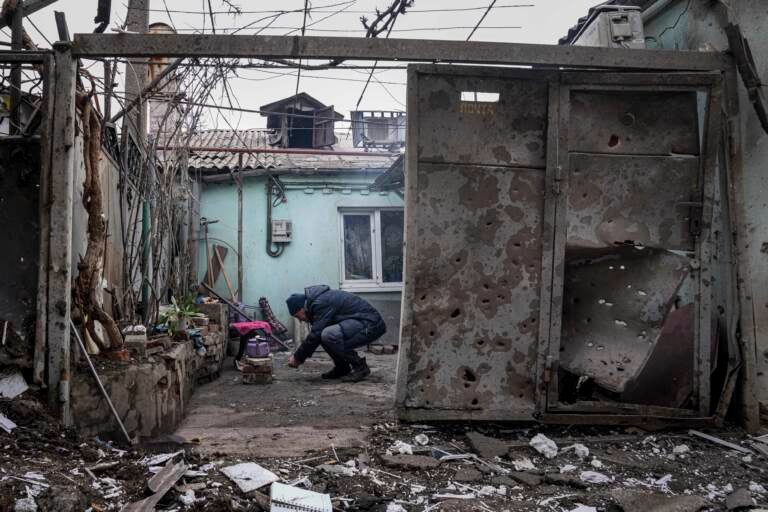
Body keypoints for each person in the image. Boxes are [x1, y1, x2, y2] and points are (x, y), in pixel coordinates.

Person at [285, 285, 386, 382]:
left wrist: (297, 358)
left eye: (298, 317)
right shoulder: (318, 301)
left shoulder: (320, 303)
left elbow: (315, 335)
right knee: (324, 335)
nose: (301, 321)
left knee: (328, 334)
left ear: (301, 308)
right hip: (362, 322)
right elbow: (317, 335)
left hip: (370, 324)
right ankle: (342, 367)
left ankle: (360, 367)